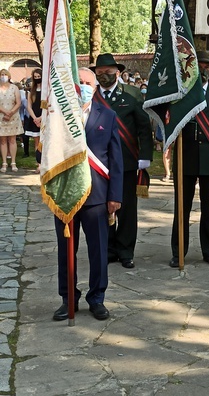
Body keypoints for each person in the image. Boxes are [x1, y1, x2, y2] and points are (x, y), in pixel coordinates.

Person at [53, 67, 123, 321]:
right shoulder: (58, 116)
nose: (82, 86)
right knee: (66, 251)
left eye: (87, 83)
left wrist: (115, 196)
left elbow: (116, 160)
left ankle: (97, 298)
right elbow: (46, 156)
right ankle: (67, 298)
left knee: (98, 250)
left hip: (97, 197)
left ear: (94, 88)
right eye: (78, 82)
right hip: (66, 197)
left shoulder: (108, 115)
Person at [169, 51, 209, 268]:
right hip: (185, 158)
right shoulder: (181, 95)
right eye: (200, 66)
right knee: (182, 207)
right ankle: (178, 252)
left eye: (208, 67)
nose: (204, 70)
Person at [91, 53, 154, 269]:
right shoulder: (90, 97)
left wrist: (145, 156)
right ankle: (108, 249)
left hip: (127, 161)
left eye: (108, 72)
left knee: (126, 208)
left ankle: (126, 251)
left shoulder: (133, 94)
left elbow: (144, 128)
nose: (104, 75)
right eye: (99, 72)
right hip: (99, 163)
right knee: (102, 208)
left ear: (118, 72)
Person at [0, 69, 24, 172]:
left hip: (13, 116)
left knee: (13, 140)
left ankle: (13, 162)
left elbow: (18, 102)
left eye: (5, 74)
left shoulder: (14, 88)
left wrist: (10, 113)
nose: (3, 76)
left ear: (9, 77)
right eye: (2, 74)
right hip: (1, 117)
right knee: (3, 140)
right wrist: (5, 112)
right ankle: (4, 163)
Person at [25, 68, 42, 172]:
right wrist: (35, 118)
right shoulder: (32, 91)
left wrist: (41, 118)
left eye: (39, 77)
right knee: (37, 143)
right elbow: (29, 106)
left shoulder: (47, 90)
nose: (37, 79)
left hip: (44, 118)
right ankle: (39, 164)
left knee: (45, 142)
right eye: (35, 77)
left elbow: (48, 106)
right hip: (34, 119)